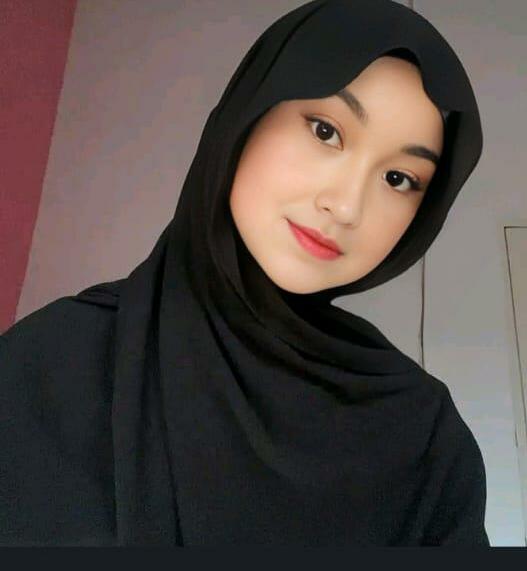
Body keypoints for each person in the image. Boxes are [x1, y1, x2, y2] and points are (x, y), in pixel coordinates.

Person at [0, 0, 490, 546]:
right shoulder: (50, 362)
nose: (347, 206)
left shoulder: (423, 437)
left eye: (399, 178)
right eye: (326, 131)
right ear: (248, 115)